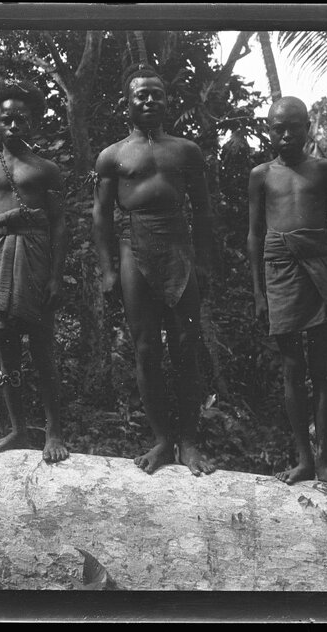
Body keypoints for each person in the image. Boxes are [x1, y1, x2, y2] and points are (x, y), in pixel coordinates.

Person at [92, 63, 216, 476]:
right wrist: (108, 270)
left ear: (166, 101)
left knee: (186, 346)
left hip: (179, 248)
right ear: (127, 103)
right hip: (136, 249)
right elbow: (102, 216)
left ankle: (190, 441)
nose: (148, 100)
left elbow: (203, 208)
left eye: (155, 94)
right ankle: (162, 439)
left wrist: (204, 262)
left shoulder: (185, 151)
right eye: (140, 95)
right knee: (145, 348)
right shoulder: (112, 156)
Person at [247, 96, 327, 491]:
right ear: (269, 129)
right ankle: (304, 460)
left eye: (295, 126)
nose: (287, 134)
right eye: (279, 127)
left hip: (319, 268)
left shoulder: (324, 170)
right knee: (292, 369)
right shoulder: (261, 175)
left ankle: (326, 461)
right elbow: (254, 234)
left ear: (308, 127)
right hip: (280, 270)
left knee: (322, 368)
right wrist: (259, 293)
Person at [0, 79, 69, 463]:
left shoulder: (46, 170)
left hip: (36, 259)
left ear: (33, 124)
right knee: (7, 354)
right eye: (6, 120)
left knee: (42, 350)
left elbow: (59, 225)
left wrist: (56, 276)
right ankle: (18, 427)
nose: (13, 126)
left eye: (21, 120)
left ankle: (54, 430)